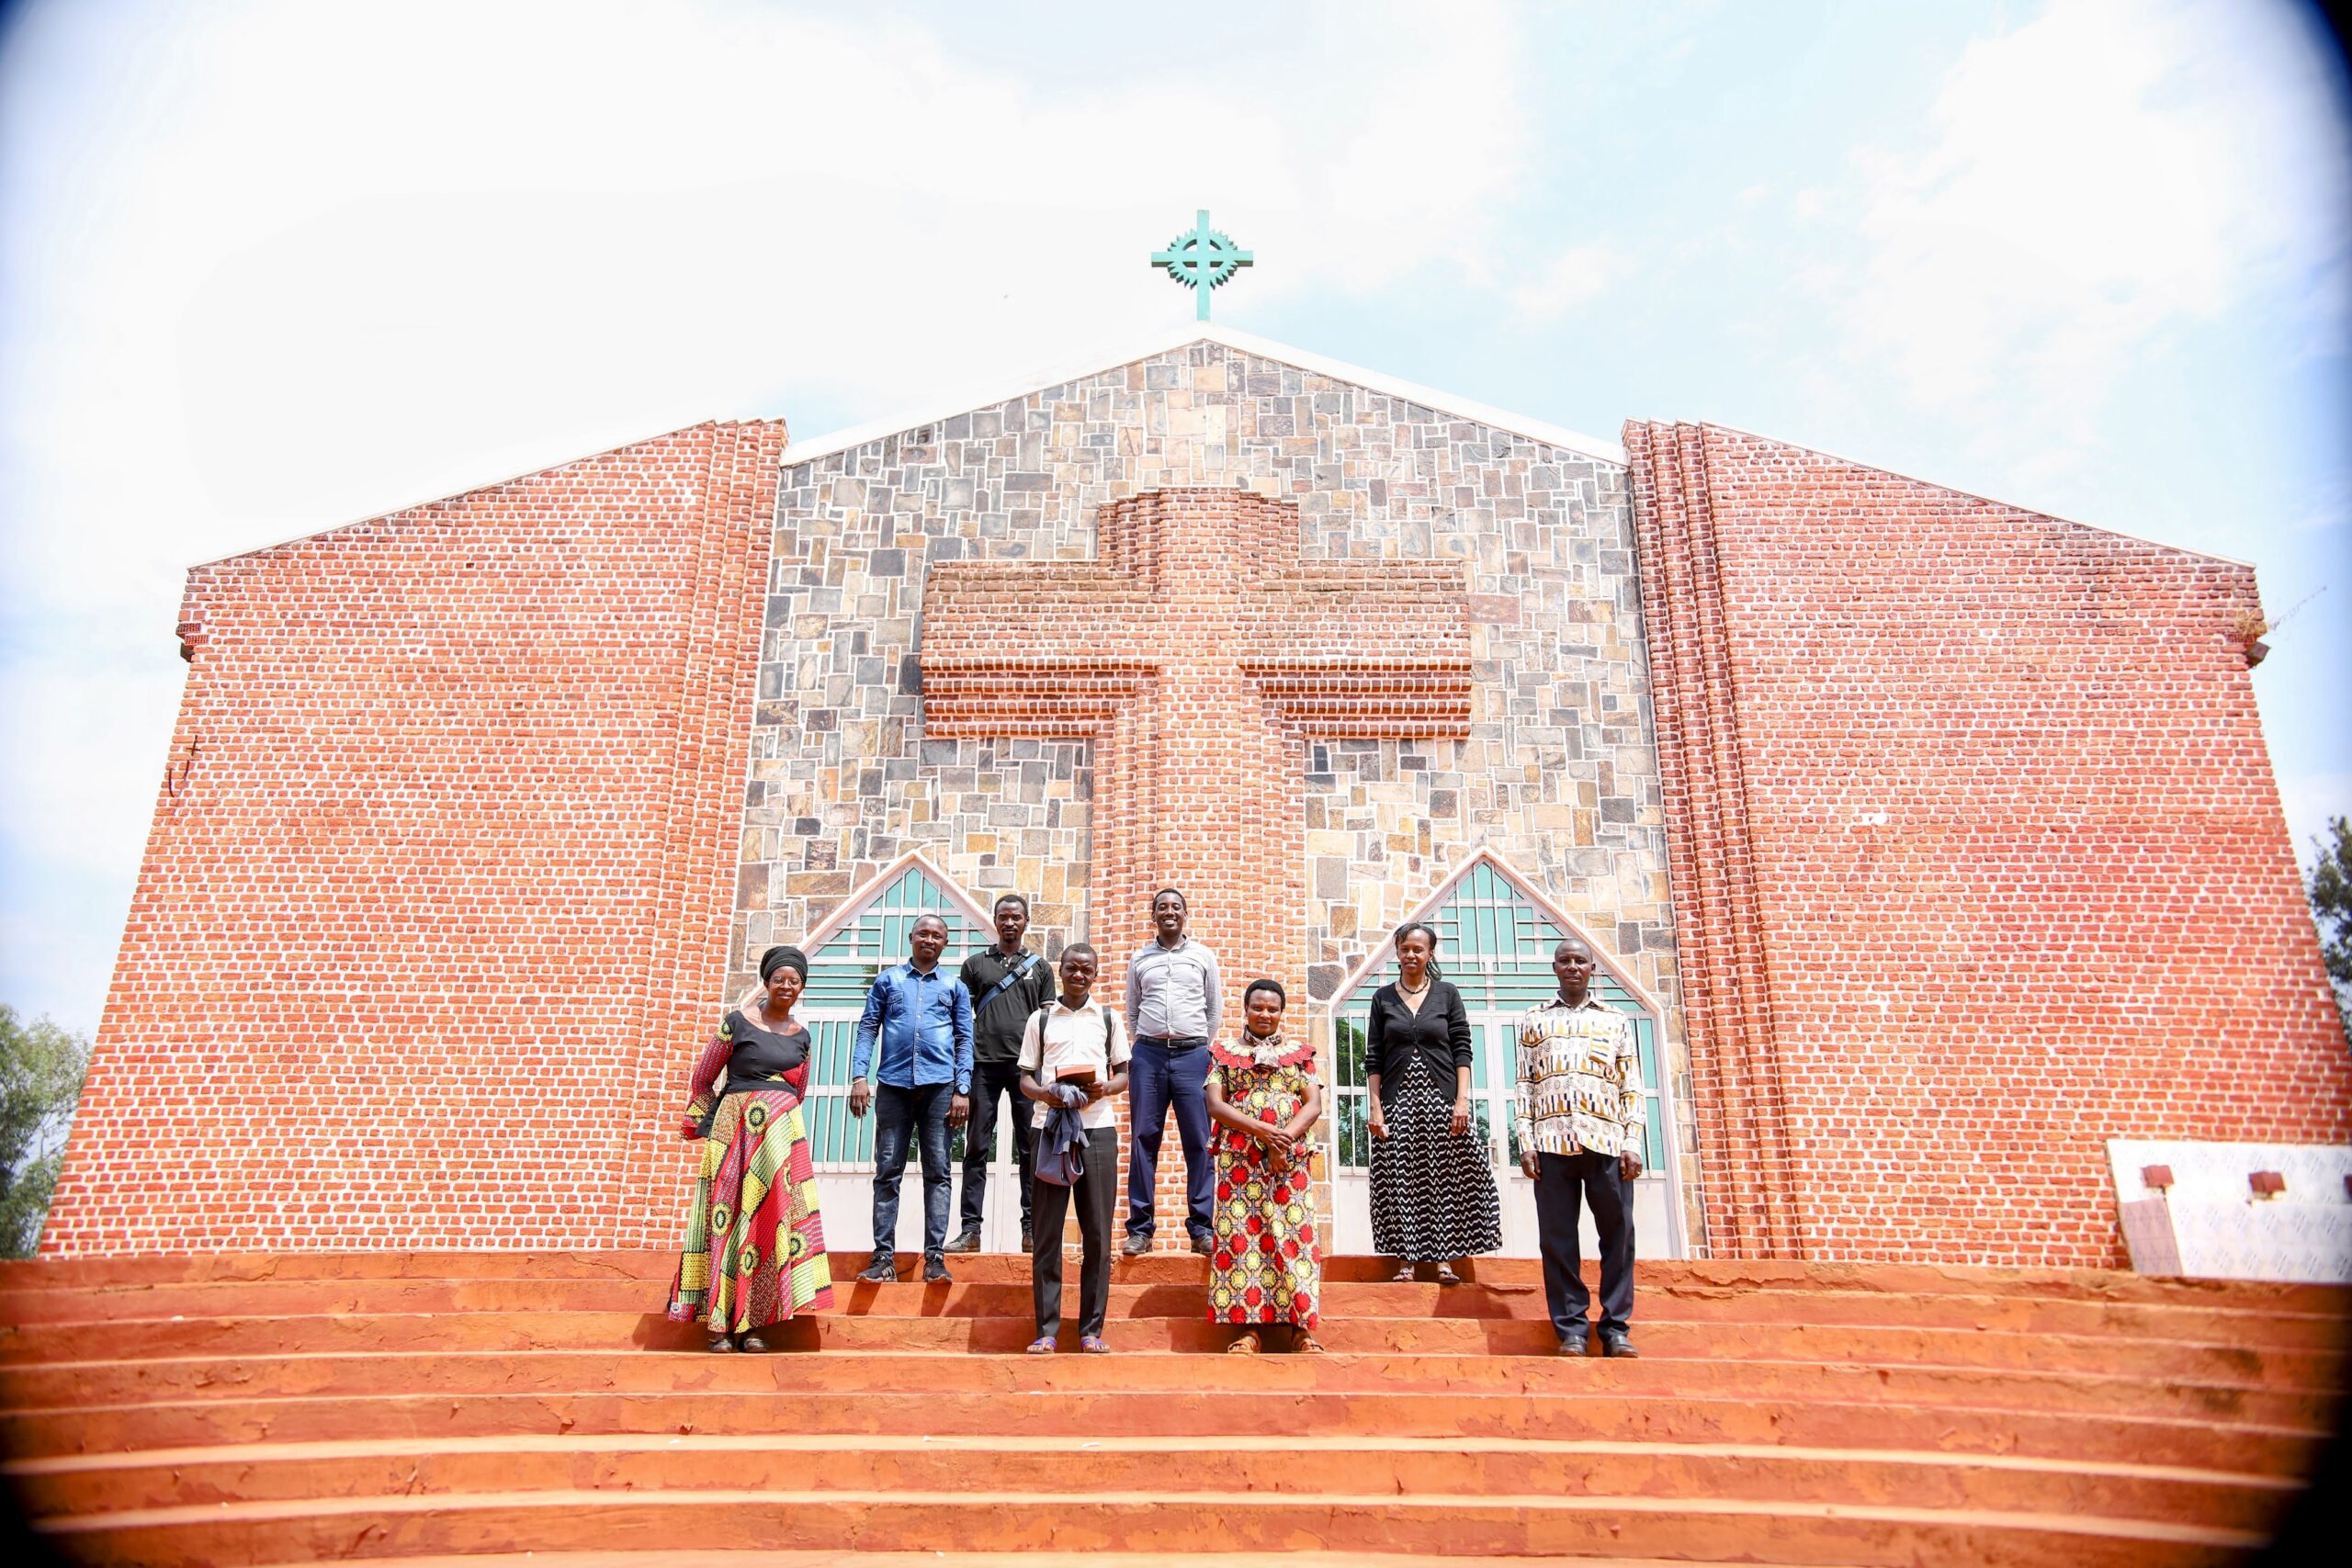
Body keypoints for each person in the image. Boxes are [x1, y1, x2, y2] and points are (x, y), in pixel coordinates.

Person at [665, 944, 834, 1350]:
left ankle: (754, 1326)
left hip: (778, 1143)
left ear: (802, 988)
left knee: (767, 1225)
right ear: (766, 982)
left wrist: (780, 1123)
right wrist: (706, 1124)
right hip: (735, 1136)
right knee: (726, 1219)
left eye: (795, 981)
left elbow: (800, 1091)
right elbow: (703, 1077)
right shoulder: (737, 1023)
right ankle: (719, 1326)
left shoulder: (803, 1037)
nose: (787, 986)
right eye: (780, 979)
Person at [1517, 935, 1645, 1357]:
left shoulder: (1615, 1020)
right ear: (1554, 968)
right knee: (1557, 1240)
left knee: (1618, 1235)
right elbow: (1525, 1084)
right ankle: (1571, 1328)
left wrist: (1633, 1141)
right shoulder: (1534, 1020)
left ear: (1593, 969)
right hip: (1552, 1144)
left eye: (1581, 961)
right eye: (1565, 961)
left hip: (1606, 1142)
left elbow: (1631, 1084)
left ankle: (1615, 1328)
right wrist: (1526, 1139)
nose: (1573, 966)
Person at [1367, 921, 1502, 1284]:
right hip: (1398, 1102)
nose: (1411, 955)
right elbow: (1374, 1058)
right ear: (1396, 952)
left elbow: (1462, 1048)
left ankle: (1445, 1260)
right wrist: (1376, 1107)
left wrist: (1462, 1101)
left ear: (1430, 954)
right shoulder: (1382, 998)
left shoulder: (1447, 993)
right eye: (1405, 948)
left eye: (1419, 949)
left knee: (1446, 1177)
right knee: (1400, 1179)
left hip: (1441, 1099)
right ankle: (1406, 1261)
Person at [1017, 942, 1130, 1353]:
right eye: (1071, 968)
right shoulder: (1041, 1019)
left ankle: (1091, 1331)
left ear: (1095, 975)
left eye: (1086, 969)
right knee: (1047, 1232)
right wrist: (1045, 1095)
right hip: (1048, 1129)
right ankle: (1046, 1330)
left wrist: (1105, 1088)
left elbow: (1123, 1074)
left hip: (1097, 1130)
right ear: (1059, 970)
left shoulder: (1108, 1017)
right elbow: (1025, 1078)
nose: (1078, 974)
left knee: (1098, 1234)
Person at [850, 912, 973, 1284]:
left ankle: (934, 1259)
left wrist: (962, 1088)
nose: (929, 940)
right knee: (887, 1171)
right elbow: (869, 1027)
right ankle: (883, 1257)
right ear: (911, 938)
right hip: (893, 1086)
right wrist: (859, 1075)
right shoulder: (889, 980)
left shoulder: (955, 987)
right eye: (923, 933)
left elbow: (966, 1039)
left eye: (937, 935)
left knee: (939, 1173)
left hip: (940, 1089)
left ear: (945, 943)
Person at [1204, 978, 1324, 1354]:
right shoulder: (1224, 1052)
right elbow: (1215, 1104)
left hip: (1289, 1162)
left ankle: (1300, 1329)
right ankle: (1249, 1329)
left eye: (1272, 1008)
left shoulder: (1299, 1054)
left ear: (1281, 1012)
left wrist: (1282, 1140)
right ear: (1245, 1009)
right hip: (1241, 1162)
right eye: (1258, 1007)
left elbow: (1313, 1104)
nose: (1265, 1014)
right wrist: (1262, 1131)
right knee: (1245, 1238)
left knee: (1293, 1237)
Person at [949, 894, 1055, 1254]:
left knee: (1031, 1148)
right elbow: (961, 1021)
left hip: (1026, 1068)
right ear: (996, 921)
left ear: (1026, 922)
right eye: (1004, 917)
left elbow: (1047, 1022)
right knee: (976, 1147)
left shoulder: (1040, 967)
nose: (1010, 923)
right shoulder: (975, 964)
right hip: (983, 1065)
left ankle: (1031, 1229)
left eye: (1017, 917)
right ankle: (970, 1230)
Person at [1124, 887, 1222, 1257]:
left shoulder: (1202, 957)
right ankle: (1141, 1230)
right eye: (1162, 907)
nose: (1169, 912)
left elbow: (1214, 1010)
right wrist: (1147, 1041)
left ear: (1185, 914)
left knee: (1198, 1142)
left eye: (1175, 907)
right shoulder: (1140, 959)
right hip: (1148, 1055)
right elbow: (1133, 1011)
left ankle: (1201, 1229)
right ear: (1153, 915)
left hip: (1193, 1056)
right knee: (1142, 1140)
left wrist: (1197, 1045)